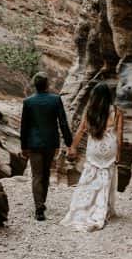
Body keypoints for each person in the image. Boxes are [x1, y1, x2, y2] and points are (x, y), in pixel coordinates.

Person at [61, 81, 124, 232]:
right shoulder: (116, 110)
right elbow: (119, 134)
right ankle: (103, 209)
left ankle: (83, 207)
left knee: (89, 177)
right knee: (106, 178)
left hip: (94, 147)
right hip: (109, 147)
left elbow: (81, 130)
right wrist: (119, 153)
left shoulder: (90, 110)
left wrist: (73, 148)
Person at [20, 72, 73, 221]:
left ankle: (39, 207)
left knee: (37, 175)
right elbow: (62, 122)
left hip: (34, 143)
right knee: (46, 173)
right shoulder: (56, 100)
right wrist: (69, 143)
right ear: (47, 84)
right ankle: (41, 203)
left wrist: (23, 146)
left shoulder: (28, 102)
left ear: (35, 85)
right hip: (50, 143)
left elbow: (24, 126)